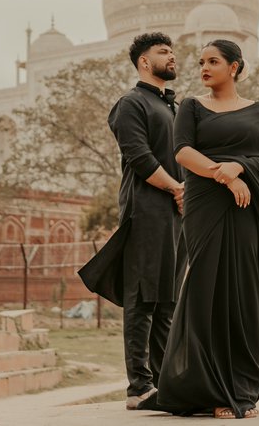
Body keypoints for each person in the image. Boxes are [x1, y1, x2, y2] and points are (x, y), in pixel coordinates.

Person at [157, 39, 259, 420]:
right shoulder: (192, 107)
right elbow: (182, 152)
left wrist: (241, 168)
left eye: (213, 61)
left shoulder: (258, 112)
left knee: (242, 293)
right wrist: (224, 175)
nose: (204, 68)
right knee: (206, 292)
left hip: (247, 211)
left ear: (235, 67)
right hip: (207, 206)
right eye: (201, 62)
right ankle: (208, 388)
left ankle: (240, 389)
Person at [106, 32, 186, 411]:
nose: (172, 57)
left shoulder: (172, 107)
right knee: (143, 298)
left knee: (168, 300)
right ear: (143, 61)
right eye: (163, 52)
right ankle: (139, 386)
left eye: (172, 51)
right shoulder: (131, 104)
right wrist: (177, 189)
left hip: (175, 213)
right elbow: (139, 158)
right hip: (147, 210)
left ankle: (162, 382)